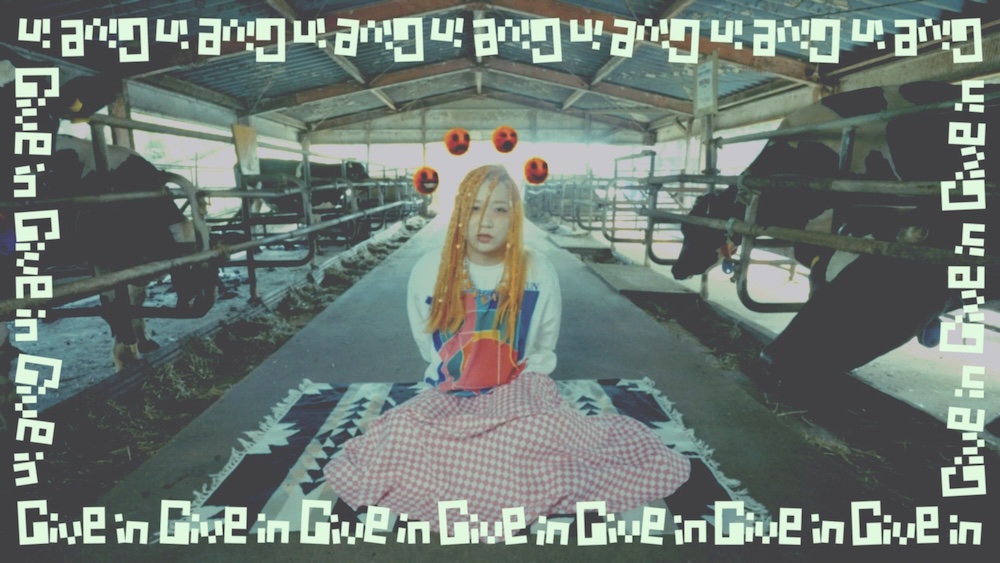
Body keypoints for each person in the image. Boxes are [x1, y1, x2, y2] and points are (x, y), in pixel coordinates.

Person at [324, 165, 690, 537]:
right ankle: (483, 469)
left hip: (518, 394)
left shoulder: (538, 271)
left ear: (514, 216)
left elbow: (543, 346)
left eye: (499, 209)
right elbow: (426, 343)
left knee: (537, 437)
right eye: (474, 207)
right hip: (450, 395)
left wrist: (510, 398)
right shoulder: (428, 269)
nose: (485, 221)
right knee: (402, 433)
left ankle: (487, 469)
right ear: (459, 212)